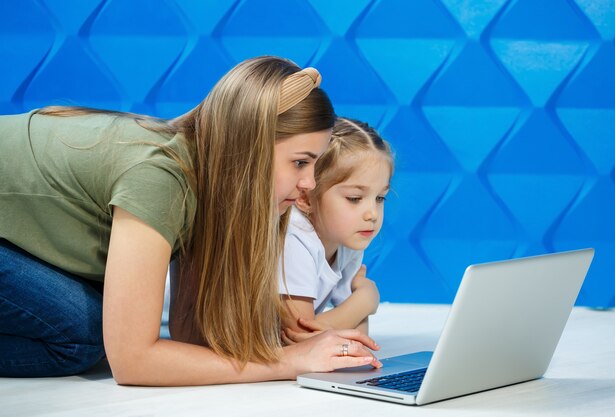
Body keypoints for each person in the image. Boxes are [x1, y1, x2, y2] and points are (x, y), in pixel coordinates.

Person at [0, 56, 382, 384]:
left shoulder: (207, 180)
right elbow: (132, 360)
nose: (309, 184)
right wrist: (283, 362)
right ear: (249, 146)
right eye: (300, 162)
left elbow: (190, 335)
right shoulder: (161, 177)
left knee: (106, 320)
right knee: (85, 333)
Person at [279, 117, 393, 345]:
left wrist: (355, 312)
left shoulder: (347, 242)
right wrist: (365, 299)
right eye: (354, 198)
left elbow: (359, 339)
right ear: (305, 197)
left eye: (380, 198)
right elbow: (302, 338)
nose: (372, 214)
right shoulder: (294, 239)